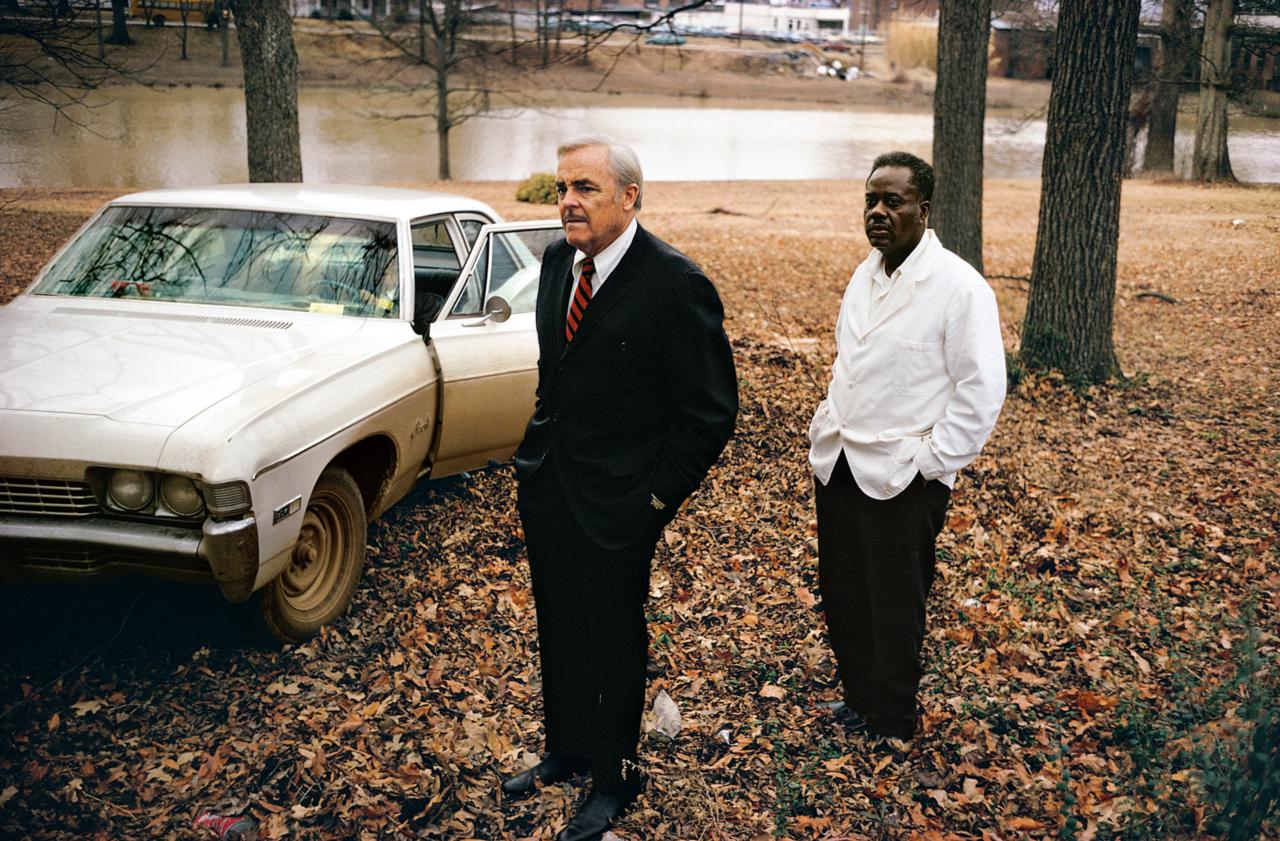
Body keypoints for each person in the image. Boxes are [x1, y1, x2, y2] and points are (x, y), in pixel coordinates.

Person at [503, 136, 737, 841]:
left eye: (585, 188)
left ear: (630, 196)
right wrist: (534, 458)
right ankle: (569, 749)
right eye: (561, 188)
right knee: (560, 625)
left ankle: (614, 777)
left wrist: (654, 501)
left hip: (623, 504)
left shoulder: (674, 283)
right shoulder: (556, 263)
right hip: (551, 489)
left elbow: (710, 413)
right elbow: (556, 373)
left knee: (612, 637)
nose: (567, 202)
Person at [808, 151, 1005, 742]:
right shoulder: (864, 275)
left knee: (894, 604)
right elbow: (850, 360)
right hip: (841, 462)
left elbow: (981, 390)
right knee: (844, 592)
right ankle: (859, 698)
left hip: (904, 475)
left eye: (893, 201)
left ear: (924, 209)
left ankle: (892, 717)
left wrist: (930, 464)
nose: (878, 212)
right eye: (871, 200)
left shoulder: (959, 288)